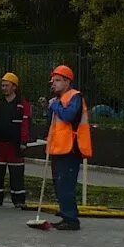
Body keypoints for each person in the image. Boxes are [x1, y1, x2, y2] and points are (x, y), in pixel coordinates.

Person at [44, 64, 93, 231]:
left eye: (58, 80)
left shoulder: (75, 97)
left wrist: (54, 106)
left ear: (67, 81)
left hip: (70, 149)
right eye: (53, 81)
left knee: (66, 186)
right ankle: (66, 214)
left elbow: (68, 116)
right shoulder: (58, 100)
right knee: (59, 186)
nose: (54, 84)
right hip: (59, 148)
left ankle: (71, 219)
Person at [0, 73, 33, 209]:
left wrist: (24, 142)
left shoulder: (22, 105)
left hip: (15, 145)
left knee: (16, 174)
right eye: (2, 85)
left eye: (6, 85)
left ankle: (18, 200)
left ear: (14, 87)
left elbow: (25, 124)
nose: (4, 88)